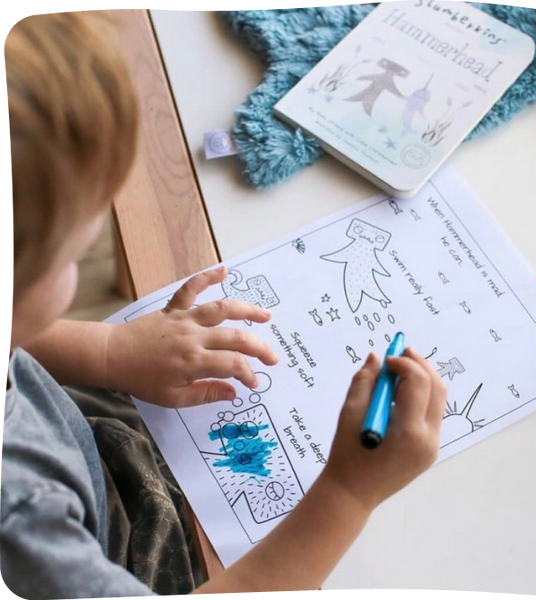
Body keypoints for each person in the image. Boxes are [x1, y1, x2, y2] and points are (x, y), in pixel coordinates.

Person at [3, 8, 447, 598]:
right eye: (70, 257)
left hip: (67, 432)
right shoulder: (22, 527)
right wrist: (348, 491)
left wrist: (108, 350)